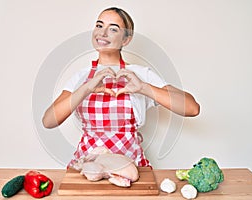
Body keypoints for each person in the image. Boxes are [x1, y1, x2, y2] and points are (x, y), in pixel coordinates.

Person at [42, 7, 200, 167]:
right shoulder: (81, 78)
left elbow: (192, 108)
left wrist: (144, 88)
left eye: (113, 29)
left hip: (132, 168)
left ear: (126, 40)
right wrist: (86, 88)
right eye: (99, 25)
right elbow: (48, 121)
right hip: (87, 168)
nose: (102, 33)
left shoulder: (141, 74)